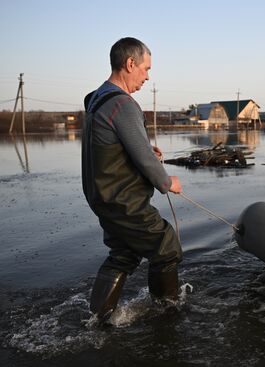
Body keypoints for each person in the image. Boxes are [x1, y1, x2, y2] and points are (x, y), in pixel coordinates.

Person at [82, 37, 183, 323]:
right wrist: (167, 183)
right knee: (166, 248)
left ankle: (97, 321)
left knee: (123, 254)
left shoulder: (97, 98)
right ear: (130, 64)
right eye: (146, 68)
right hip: (123, 200)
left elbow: (109, 141)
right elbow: (146, 162)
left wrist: (143, 147)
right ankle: (168, 316)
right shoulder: (124, 104)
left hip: (101, 196)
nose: (148, 77)